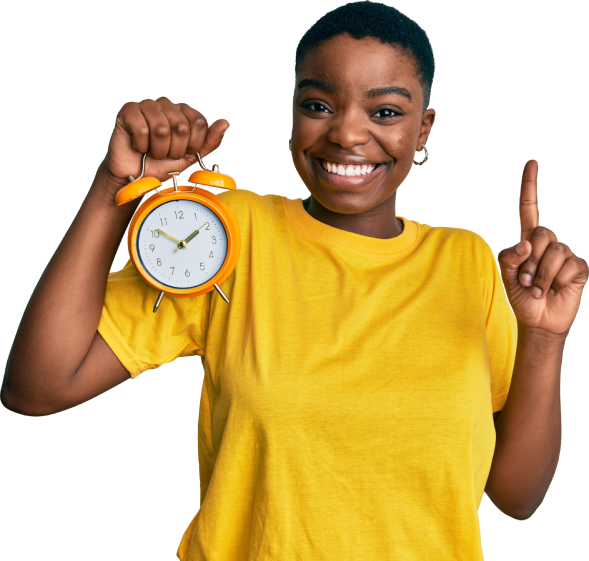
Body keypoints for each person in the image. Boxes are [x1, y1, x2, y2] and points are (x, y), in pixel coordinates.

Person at [3, 2, 587, 560]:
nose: (347, 134)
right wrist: (114, 186)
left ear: (423, 127)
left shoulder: (469, 262)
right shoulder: (232, 232)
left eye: (385, 111)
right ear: (291, 111)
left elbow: (516, 496)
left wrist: (543, 338)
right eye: (318, 104)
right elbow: (38, 388)